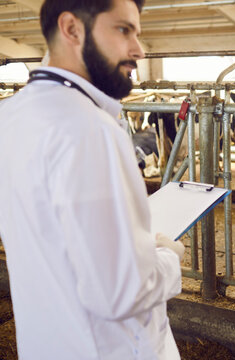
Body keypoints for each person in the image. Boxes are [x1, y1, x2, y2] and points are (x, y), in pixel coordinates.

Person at [0, 0, 186, 359]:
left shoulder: (10, 115)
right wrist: (167, 256)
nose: (139, 50)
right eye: (123, 30)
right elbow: (121, 292)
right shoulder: (89, 129)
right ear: (72, 29)